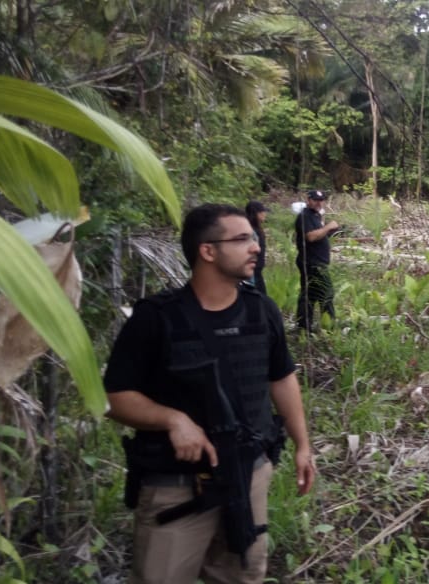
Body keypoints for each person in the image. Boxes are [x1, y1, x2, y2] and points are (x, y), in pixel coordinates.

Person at [104, 203, 316, 584]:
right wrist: (173, 420)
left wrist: (303, 444)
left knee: (242, 574)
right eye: (242, 239)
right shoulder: (156, 317)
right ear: (208, 251)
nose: (256, 246)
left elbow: (281, 378)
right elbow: (113, 397)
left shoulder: (262, 311)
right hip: (176, 485)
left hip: (248, 474)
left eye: (253, 238)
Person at [294, 189, 339, 332]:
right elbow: (311, 237)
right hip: (313, 263)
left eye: (321, 200)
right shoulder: (305, 216)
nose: (319, 203)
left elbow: (319, 235)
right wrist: (328, 227)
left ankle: (304, 327)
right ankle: (329, 327)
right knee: (326, 293)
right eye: (315, 200)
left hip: (316, 261)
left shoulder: (315, 216)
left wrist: (328, 229)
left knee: (310, 294)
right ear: (308, 200)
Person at [244, 200, 268, 295]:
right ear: (256, 213)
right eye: (262, 212)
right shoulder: (250, 230)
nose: (264, 214)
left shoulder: (257, 229)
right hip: (252, 270)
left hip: (257, 270)